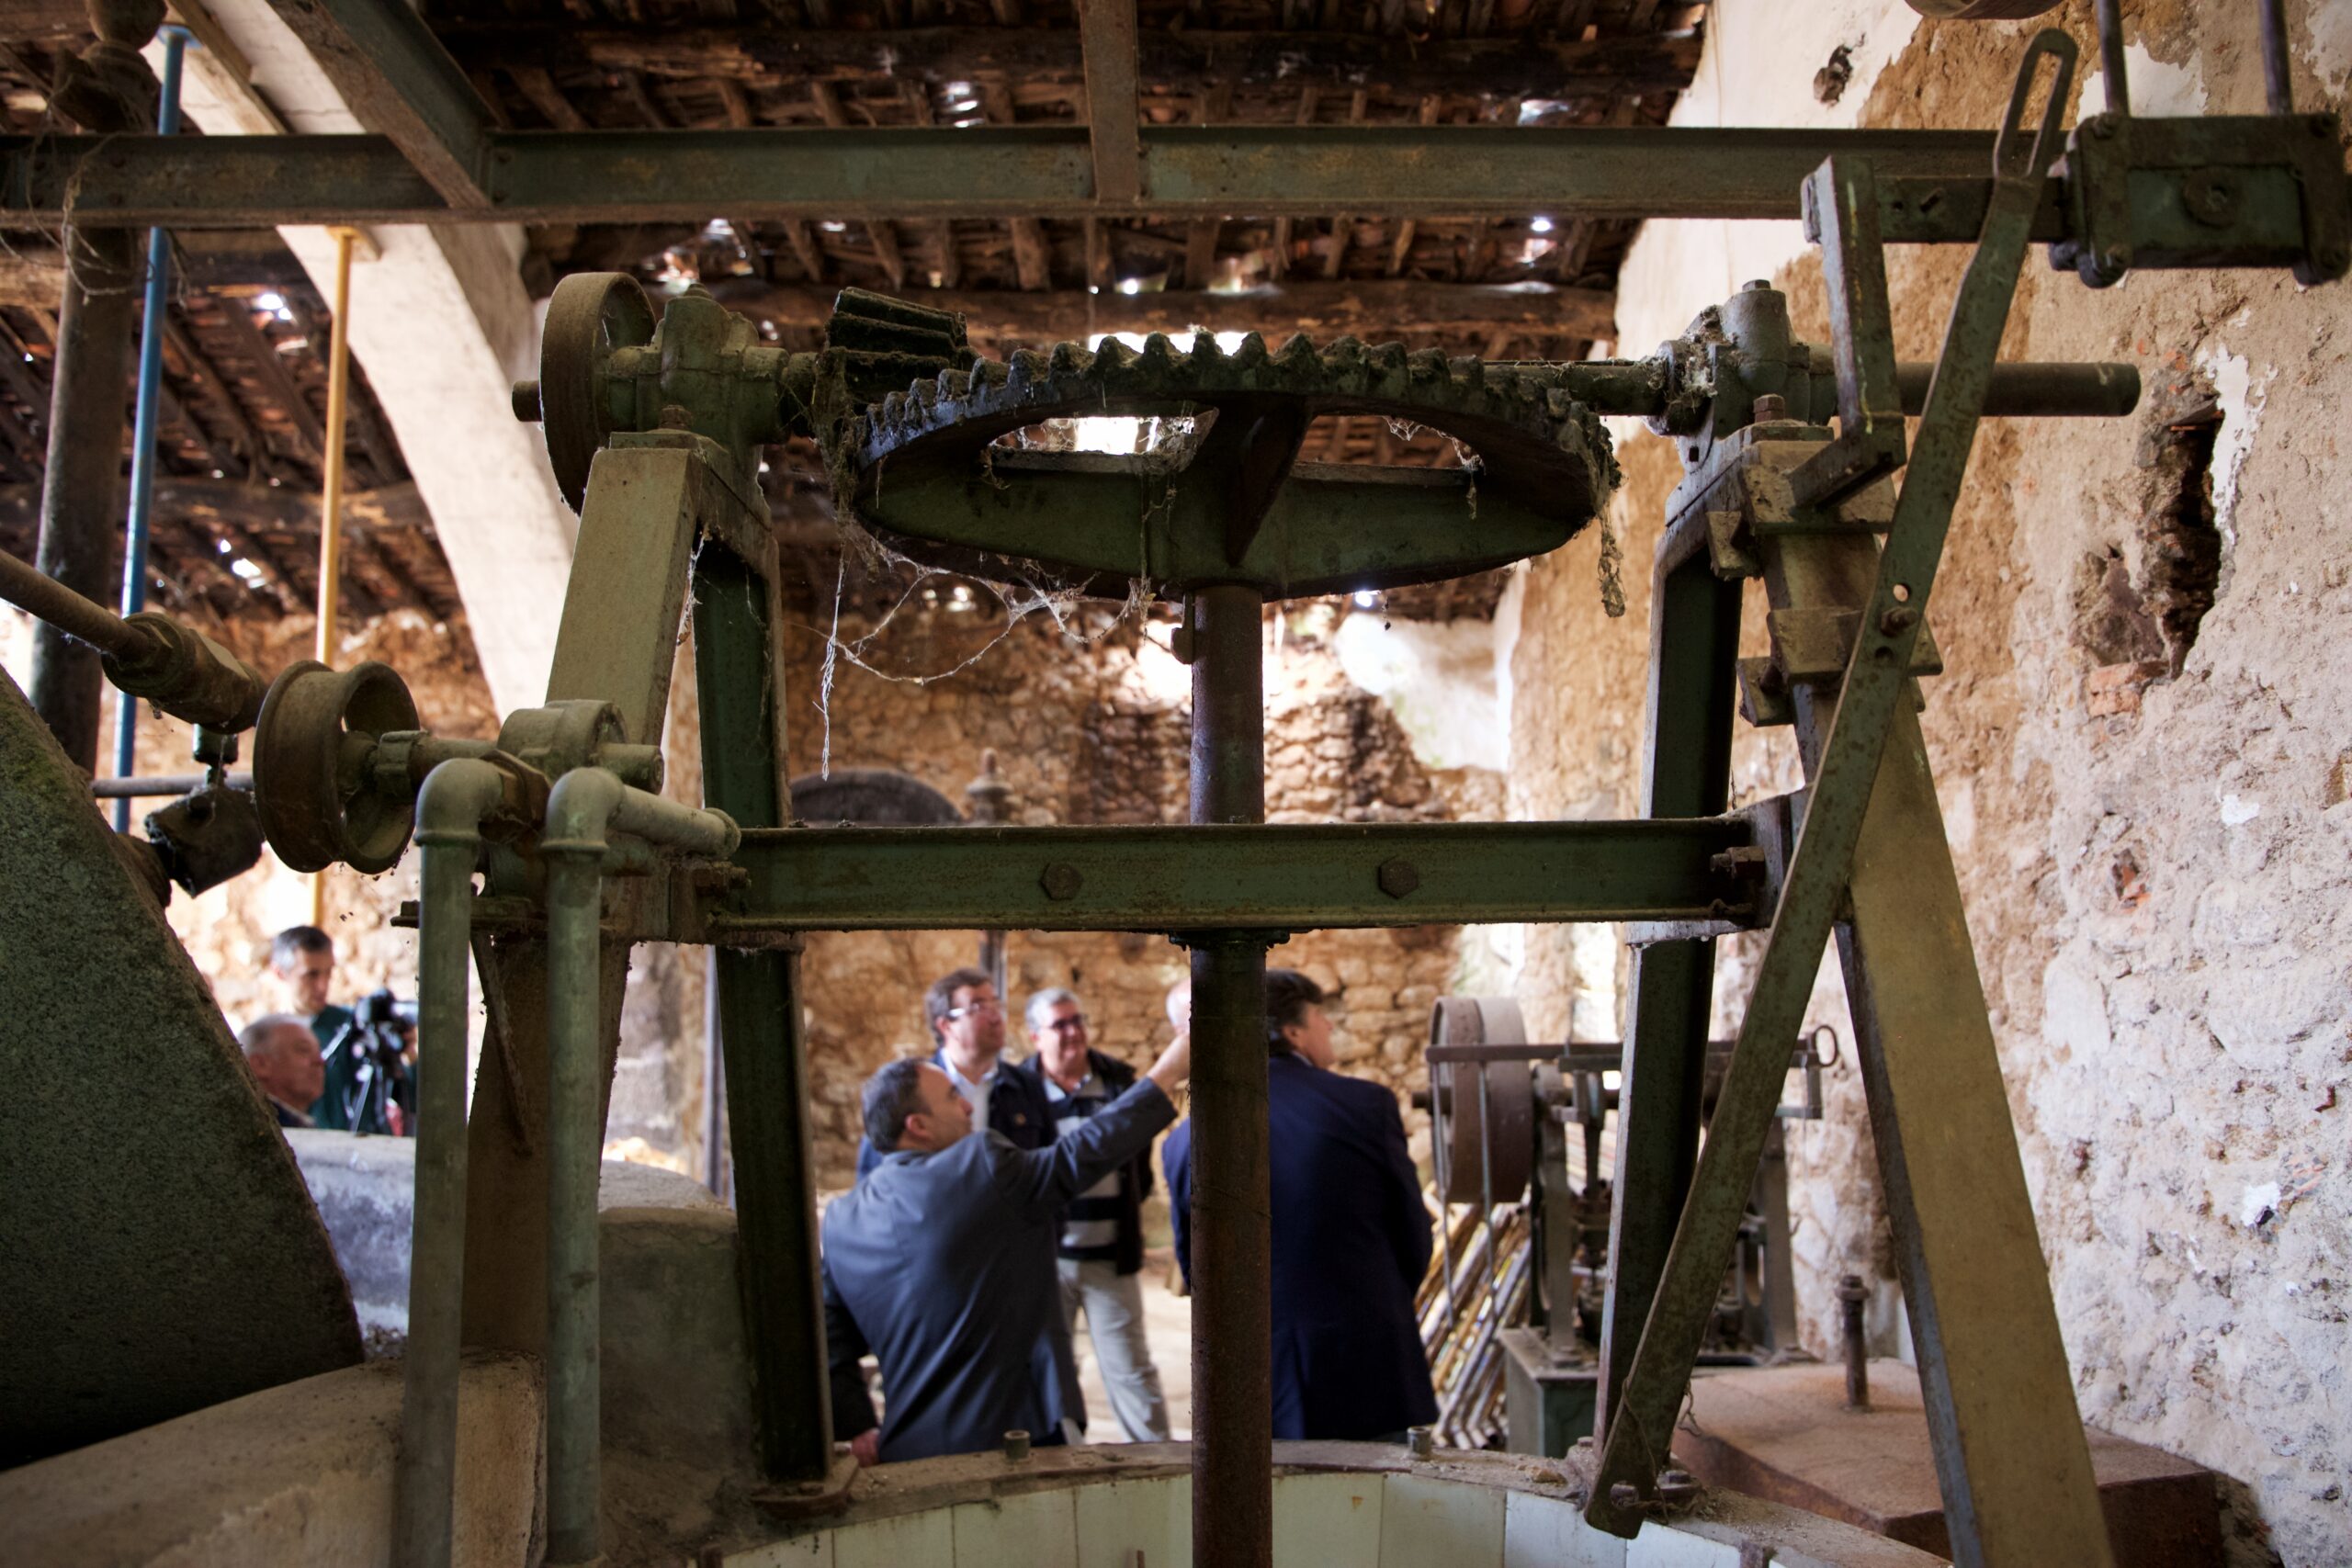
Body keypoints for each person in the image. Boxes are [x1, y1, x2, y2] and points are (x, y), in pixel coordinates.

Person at [823, 1030, 1193, 1464]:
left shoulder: (841, 1220)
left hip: (908, 1453)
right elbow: (1079, 1154)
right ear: (917, 1126)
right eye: (952, 1098)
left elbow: (829, 1342)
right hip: (1015, 1443)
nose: (967, 1106)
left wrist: (858, 1425)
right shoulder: (979, 1167)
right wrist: (1171, 1067)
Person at [1162, 967, 1437, 1441]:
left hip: (1253, 1371)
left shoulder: (1184, 1139)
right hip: (1363, 1357)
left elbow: (1195, 1269)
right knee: (1375, 1486)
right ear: (1293, 1032)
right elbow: (1412, 1233)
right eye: (1319, 1015)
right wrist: (1380, 1300)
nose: (1328, 1025)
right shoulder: (1365, 1106)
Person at [1007, 987, 1172, 1443]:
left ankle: (1158, 1463)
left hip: (1108, 1256)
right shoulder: (1018, 1092)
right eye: (1060, 1024)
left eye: (1077, 1021)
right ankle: (1060, 1462)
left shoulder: (1116, 1084)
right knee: (1052, 1370)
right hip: (1047, 1261)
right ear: (1035, 1036)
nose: (1073, 1032)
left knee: (1130, 1369)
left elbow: (1138, 1168)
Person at [854, 966, 1051, 1178]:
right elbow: (873, 1176)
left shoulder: (1027, 1085)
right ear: (946, 1025)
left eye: (996, 1004)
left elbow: (1047, 1171)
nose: (995, 1017)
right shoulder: (907, 1090)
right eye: (979, 1007)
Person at [238, 1014, 324, 1130]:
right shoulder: (250, 1126)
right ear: (260, 1064)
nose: (320, 1061)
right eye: (304, 1050)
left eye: (319, 1051)